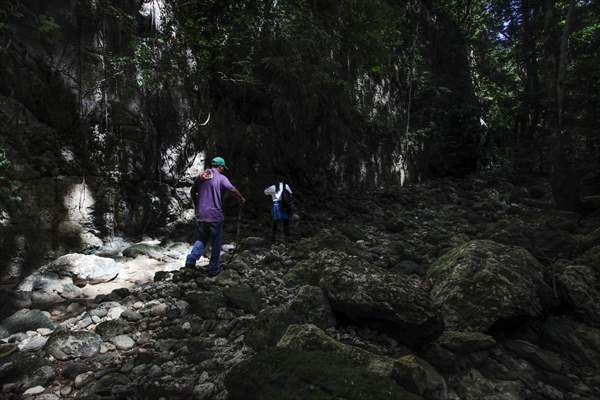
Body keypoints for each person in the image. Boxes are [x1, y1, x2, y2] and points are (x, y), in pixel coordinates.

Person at [185, 156, 246, 276]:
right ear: (220, 167)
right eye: (223, 168)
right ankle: (213, 269)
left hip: (201, 215)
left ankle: (190, 261)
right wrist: (241, 199)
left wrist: (197, 205)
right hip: (215, 215)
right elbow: (232, 190)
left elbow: (193, 191)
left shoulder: (201, 177)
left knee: (201, 239)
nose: (223, 170)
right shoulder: (221, 178)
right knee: (216, 242)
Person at [264, 177, 292, 242]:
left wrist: (270, 191)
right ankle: (287, 237)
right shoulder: (286, 186)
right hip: (284, 205)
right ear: (283, 180)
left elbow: (265, 192)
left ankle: (273, 237)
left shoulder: (273, 187)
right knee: (286, 222)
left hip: (276, 205)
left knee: (275, 222)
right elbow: (291, 194)